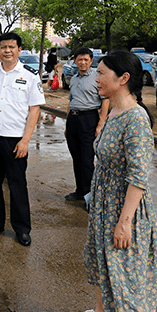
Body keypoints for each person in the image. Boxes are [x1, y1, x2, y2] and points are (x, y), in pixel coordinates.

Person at [73, 50, 157, 312]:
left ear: (123, 78)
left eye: (101, 74)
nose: (96, 79)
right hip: (104, 203)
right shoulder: (113, 110)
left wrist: (124, 223)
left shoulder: (136, 119)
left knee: (123, 277)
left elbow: (138, 177)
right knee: (101, 265)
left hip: (123, 209)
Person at [0, 32, 45, 246]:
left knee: (17, 184)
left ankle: (22, 229)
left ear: (19, 50)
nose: (7, 50)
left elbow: (35, 109)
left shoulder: (29, 75)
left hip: (15, 139)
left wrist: (26, 140)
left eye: (11, 47)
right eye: (3, 47)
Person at [64, 47, 110, 202]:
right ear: (75, 61)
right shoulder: (74, 78)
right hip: (73, 119)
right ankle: (80, 192)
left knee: (86, 160)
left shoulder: (97, 77)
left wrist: (100, 123)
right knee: (76, 158)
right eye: (79, 59)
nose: (82, 62)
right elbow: (71, 101)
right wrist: (67, 124)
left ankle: (90, 197)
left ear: (91, 61)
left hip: (89, 119)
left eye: (86, 59)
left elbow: (105, 100)